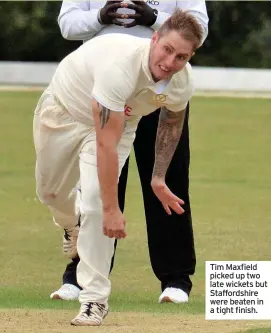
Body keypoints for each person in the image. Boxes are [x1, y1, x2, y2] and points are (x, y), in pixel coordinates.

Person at [34, 9, 203, 326]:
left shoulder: (182, 80)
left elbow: (172, 121)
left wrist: (157, 177)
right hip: (64, 110)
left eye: (181, 57)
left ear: (190, 57)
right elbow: (104, 144)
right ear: (154, 39)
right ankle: (71, 224)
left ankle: (94, 300)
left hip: (120, 125)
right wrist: (114, 210)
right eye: (166, 50)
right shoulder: (120, 66)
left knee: (95, 201)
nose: (169, 63)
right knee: (50, 193)